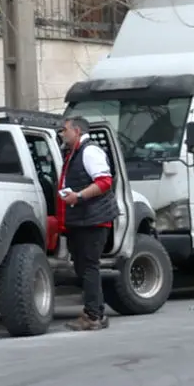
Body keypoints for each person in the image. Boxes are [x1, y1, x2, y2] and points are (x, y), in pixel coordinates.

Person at [58, 115, 116, 331]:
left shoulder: (90, 151)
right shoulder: (74, 153)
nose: (62, 134)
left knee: (89, 267)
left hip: (93, 220)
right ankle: (95, 311)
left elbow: (104, 182)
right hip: (83, 220)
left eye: (65, 130)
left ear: (77, 131)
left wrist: (79, 196)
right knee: (85, 267)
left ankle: (93, 316)